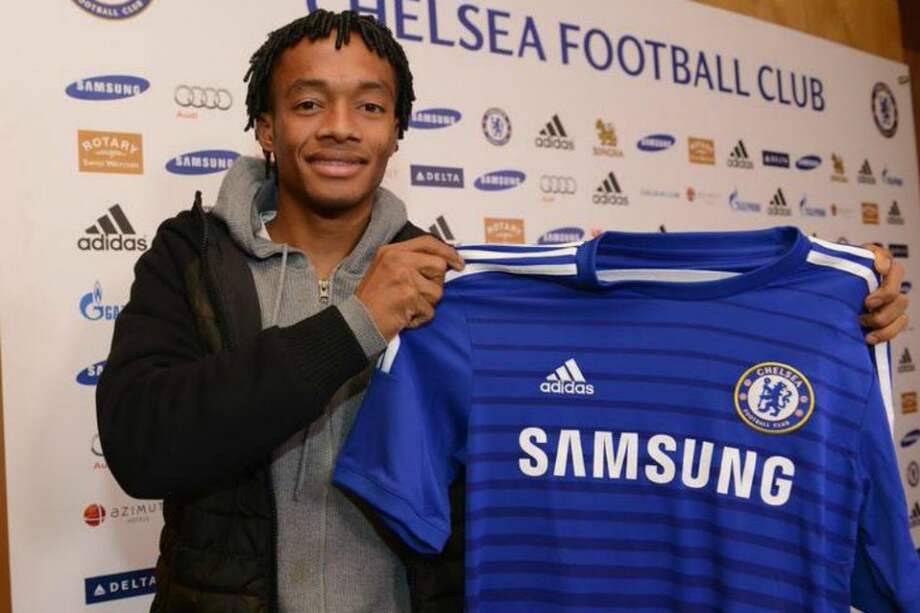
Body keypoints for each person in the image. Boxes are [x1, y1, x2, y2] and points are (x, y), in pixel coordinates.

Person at [96, 9, 909, 613]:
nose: (340, 128)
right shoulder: (191, 258)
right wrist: (358, 323)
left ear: (397, 130)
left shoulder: (452, 284)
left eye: (369, 107)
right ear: (266, 130)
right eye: (309, 105)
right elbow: (143, 445)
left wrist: (836, 307)